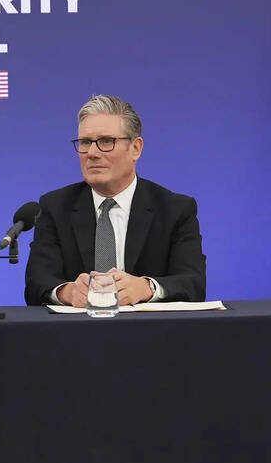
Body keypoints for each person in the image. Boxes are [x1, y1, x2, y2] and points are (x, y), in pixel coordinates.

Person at [24, 95, 205, 307]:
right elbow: (36, 284)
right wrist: (68, 292)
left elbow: (193, 284)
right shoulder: (55, 207)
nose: (92, 153)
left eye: (106, 141)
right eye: (85, 142)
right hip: (76, 327)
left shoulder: (175, 209)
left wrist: (146, 288)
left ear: (136, 148)